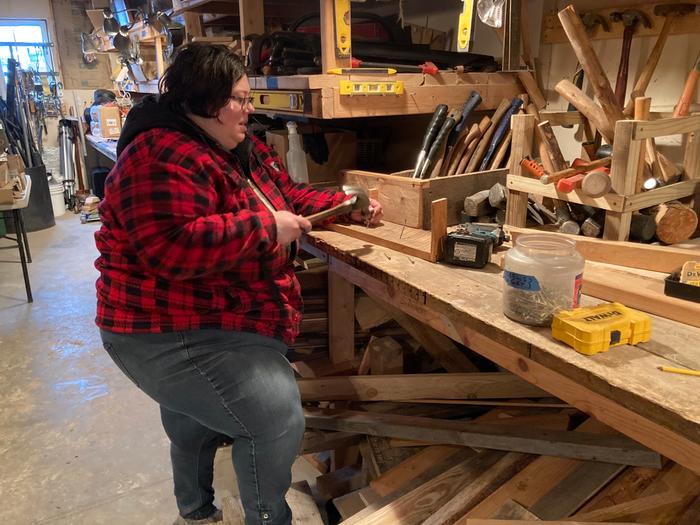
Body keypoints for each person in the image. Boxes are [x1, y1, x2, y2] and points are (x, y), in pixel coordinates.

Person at [94, 43, 382, 525]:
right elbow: (171, 246)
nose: (251, 110)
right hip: (157, 326)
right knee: (274, 417)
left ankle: (196, 512)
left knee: (192, 416)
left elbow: (285, 195)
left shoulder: (235, 145)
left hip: (212, 312)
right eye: (242, 100)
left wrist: (343, 202)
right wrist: (266, 229)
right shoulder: (158, 154)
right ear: (206, 102)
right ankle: (264, 519)